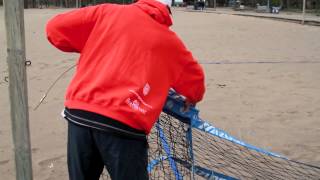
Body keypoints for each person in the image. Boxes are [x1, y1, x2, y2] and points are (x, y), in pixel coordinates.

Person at [46, 0, 205, 179]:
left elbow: (54, 28)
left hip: (79, 116)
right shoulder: (170, 41)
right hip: (124, 125)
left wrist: (89, 44)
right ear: (167, 10)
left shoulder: (107, 11)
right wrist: (193, 97)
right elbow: (195, 81)